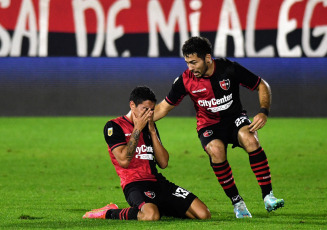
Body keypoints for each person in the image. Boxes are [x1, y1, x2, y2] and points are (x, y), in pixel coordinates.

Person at [153, 36, 284, 218]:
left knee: (250, 138)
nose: (190, 68)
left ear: (207, 58)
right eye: (187, 63)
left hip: (235, 119)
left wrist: (263, 111)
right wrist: (140, 120)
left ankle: (268, 196)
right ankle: (237, 202)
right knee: (216, 150)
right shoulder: (185, 80)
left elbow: (262, 85)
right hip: (209, 125)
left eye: (194, 62)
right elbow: (163, 107)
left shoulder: (229, 69)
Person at [83, 86, 211, 221]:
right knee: (151, 215)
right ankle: (109, 212)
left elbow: (163, 163)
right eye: (145, 109)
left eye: (152, 110)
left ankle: (160, 206)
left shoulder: (150, 127)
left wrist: (152, 132)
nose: (149, 114)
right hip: (134, 184)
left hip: (157, 182)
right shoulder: (114, 126)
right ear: (132, 105)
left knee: (203, 213)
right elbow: (124, 161)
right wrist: (137, 129)